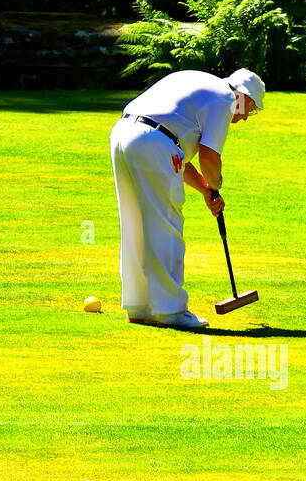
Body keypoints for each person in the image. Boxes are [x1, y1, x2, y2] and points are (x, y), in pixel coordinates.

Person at [109, 68, 264, 329]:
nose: (246, 116)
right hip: (152, 141)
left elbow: (173, 150)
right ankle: (171, 312)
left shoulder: (201, 84)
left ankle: (138, 306)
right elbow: (209, 156)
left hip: (124, 134)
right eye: (250, 107)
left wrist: (205, 190)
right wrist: (216, 186)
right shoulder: (225, 99)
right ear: (242, 96)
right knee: (166, 224)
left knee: (134, 222)